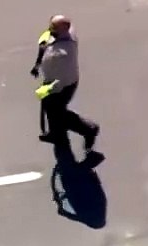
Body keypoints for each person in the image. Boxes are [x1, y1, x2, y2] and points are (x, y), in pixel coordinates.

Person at [30, 15, 99, 151]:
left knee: (57, 112)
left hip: (62, 85)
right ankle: (57, 135)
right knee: (51, 110)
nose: (51, 30)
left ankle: (88, 129)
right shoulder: (61, 34)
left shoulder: (62, 54)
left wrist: (48, 89)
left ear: (64, 29)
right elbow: (44, 43)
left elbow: (60, 78)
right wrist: (37, 64)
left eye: (55, 28)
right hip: (57, 80)